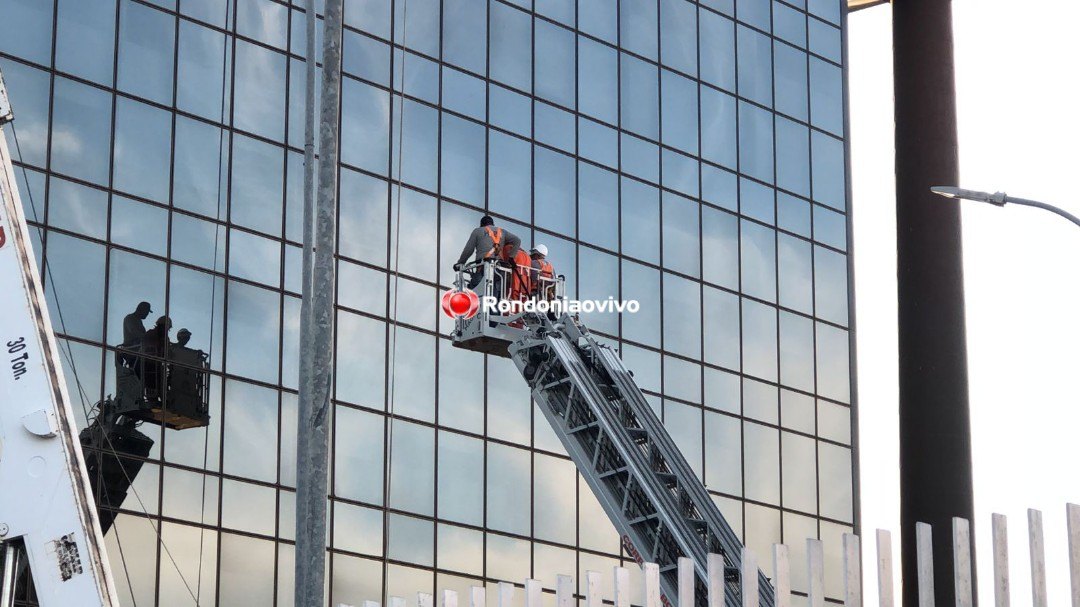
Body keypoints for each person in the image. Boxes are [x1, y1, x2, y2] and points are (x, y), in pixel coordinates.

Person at [454, 215, 521, 290]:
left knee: (476, 289)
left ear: (481, 224)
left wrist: (461, 263)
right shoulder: (502, 232)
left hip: (483, 267)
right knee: (496, 291)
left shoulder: (478, 231)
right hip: (499, 268)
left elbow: (468, 250)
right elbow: (517, 241)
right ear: (492, 224)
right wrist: (511, 257)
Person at [141, 316, 172, 400]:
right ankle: (152, 398)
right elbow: (147, 347)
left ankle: (163, 398)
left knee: (162, 381)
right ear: (161, 326)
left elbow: (168, 351)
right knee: (151, 384)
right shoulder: (150, 334)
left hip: (158, 365)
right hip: (148, 364)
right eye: (166, 328)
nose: (166, 331)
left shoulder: (165, 338)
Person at [120, 301, 151, 369]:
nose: (147, 314)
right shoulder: (129, 318)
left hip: (138, 350)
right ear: (141, 309)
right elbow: (133, 331)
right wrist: (147, 337)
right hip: (132, 350)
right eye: (146, 312)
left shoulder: (138, 320)